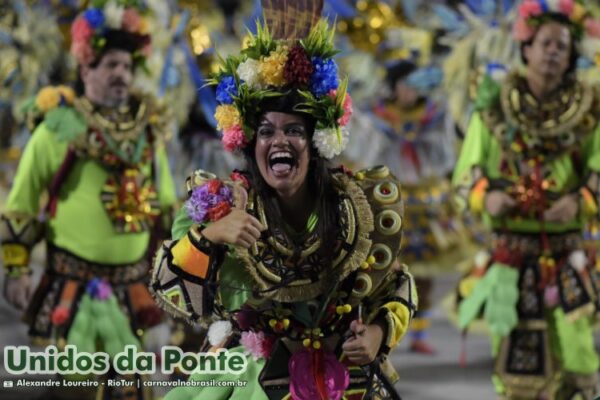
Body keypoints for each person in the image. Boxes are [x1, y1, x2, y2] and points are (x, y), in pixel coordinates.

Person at [150, 9, 417, 400]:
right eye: (266, 131)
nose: (279, 141)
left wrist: (376, 333)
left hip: (342, 377)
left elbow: (397, 285)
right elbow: (168, 287)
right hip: (252, 378)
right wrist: (209, 236)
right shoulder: (221, 204)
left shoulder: (356, 204)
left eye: (294, 130)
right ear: (250, 143)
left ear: (316, 142)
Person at [0, 2, 176, 398]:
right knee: (76, 389)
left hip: (135, 285)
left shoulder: (147, 133)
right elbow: (22, 200)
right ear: (85, 70)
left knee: (135, 390)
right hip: (73, 286)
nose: (121, 75)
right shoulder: (58, 129)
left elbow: (166, 210)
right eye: (111, 64)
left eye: (127, 67)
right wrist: (16, 269)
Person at [453, 1, 600, 398]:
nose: (554, 52)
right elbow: (466, 177)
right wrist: (486, 198)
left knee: (578, 352)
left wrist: (581, 201)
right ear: (526, 48)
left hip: (567, 251)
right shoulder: (493, 109)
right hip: (510, 256)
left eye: (563, 47)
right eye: (547, 43)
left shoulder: (589, 110)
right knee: (516, 360)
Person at [374, 60, 469, 355]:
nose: (411, 92)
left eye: (417, 85)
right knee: (383, 271)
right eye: (406, 85)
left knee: (425, 273)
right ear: (394, 87)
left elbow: (445, 155)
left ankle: (419, 333)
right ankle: (384, 328)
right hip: (390, 201)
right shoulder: (375, 116)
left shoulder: (433, 116)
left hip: (426, 202)